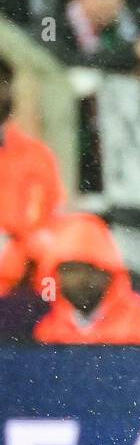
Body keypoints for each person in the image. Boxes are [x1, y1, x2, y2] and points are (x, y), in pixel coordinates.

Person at [31, 212, 140, 345]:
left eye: (92, 268)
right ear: (55, 275)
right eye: (71, 270)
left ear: (110, 272)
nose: (82, 279)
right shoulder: (48, 331)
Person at [0, 53, 65, 296]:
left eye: (3, 83)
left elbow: (53, 219)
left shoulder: (37, 155)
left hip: (28, 288)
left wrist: (22, 245)